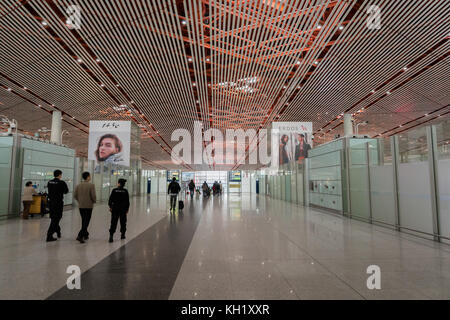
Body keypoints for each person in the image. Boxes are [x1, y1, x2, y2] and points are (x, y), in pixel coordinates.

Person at [73, 172, 96, 244]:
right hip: (88, 206)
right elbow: (93, 196)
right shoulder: (91, 185)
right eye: (90, 176)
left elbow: (75, 195)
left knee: (84, 220)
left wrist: (79, 201)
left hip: (81, 206)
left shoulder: (78, 185)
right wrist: (94, 201)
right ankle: (80, 235)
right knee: (86, 221)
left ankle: (86, 234)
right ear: (88, 177)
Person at [46, 170, 69, 242]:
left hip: (51, 203)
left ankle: (58, 231)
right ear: (59, 175)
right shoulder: (61, 182)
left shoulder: (49, 182)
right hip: (58, 203)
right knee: (56, 219)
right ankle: (49, 235)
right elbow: (66, 191)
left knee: (54, 218)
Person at [108, 178, 130, 243]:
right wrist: (127, 209)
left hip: (115, 209)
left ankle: (111, 236)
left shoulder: (114, 190)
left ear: (119, 183)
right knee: (123, 222)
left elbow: (110, 200)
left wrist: (110, 207)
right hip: (123, 209)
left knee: (113, 222)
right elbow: (127, 202)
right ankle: (123, 235)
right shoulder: (125, 191)